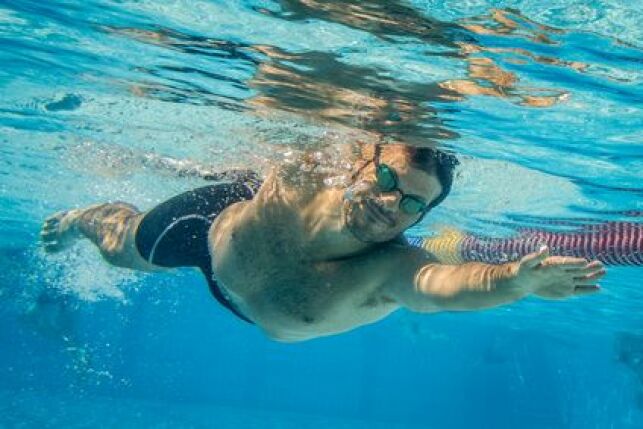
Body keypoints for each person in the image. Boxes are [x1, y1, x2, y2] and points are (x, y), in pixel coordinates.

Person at [41, 143, 605, 342]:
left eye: (411, 204)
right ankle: (75, 220)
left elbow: (441, 285)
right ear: (360, 161)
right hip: (217, 232)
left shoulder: (388, 268)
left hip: (245, 297)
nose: (391, 204)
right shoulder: (303, 174)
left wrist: (516, 280)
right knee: (123, 249)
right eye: (387, 180)